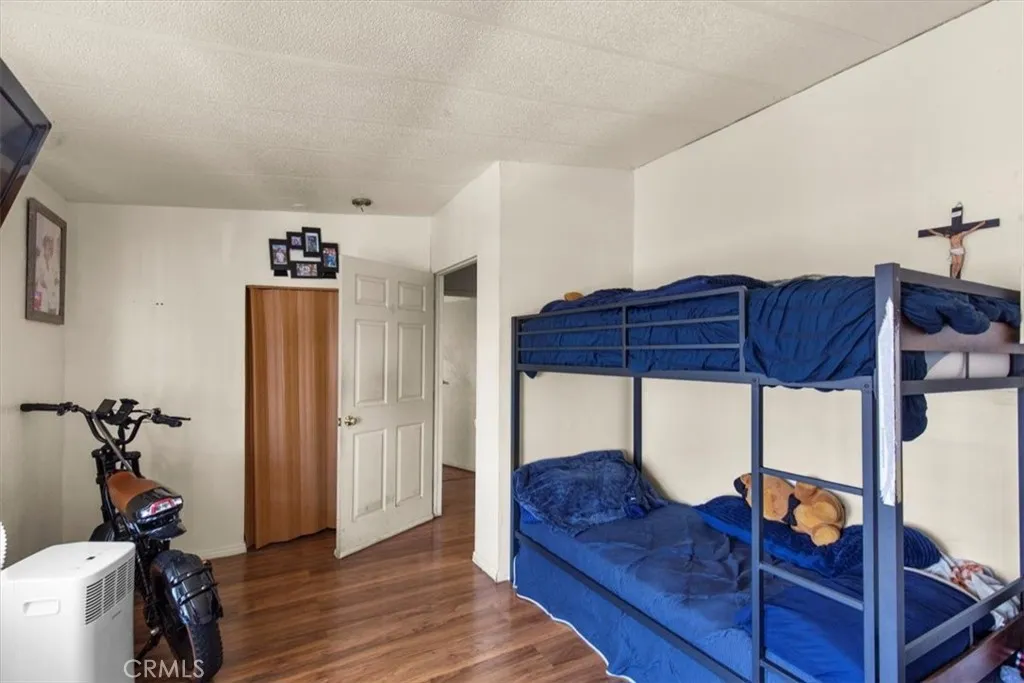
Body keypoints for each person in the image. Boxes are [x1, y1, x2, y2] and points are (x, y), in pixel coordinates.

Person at [34, 227, 61, 314]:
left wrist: (56, 280)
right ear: (44, 247)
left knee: (52, 311)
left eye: (52, 249)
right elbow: (36, 278)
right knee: (39, 311)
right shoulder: (39, 260)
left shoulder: (54, 262)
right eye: (49, 248)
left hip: (51, 294)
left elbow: (57, 277)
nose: (51, 251)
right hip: (40, 292)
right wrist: (40, 279)